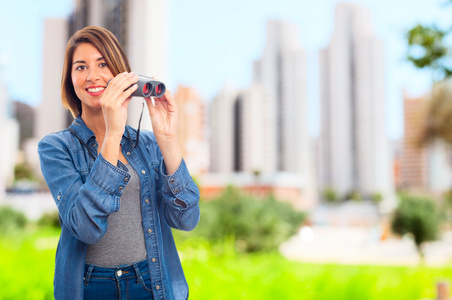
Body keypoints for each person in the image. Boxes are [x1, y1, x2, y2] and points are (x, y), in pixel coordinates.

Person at [38, 26, 200, 300]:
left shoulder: (147, 144)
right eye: (80, 67)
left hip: (150, 281)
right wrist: (113, 134)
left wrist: (168, 139)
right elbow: (85, 227)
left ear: (123, 76)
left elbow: (186, 219)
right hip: (90, 286)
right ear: (70, 80)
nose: (92, 76)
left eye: (103, 64)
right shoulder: (56, 148)